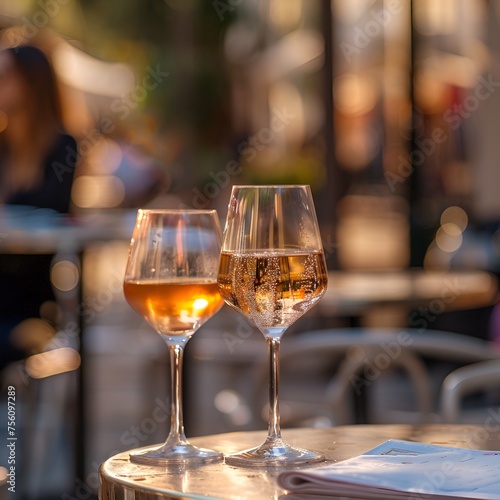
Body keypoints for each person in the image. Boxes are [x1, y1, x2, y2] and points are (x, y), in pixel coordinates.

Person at [0, 45, 77, 370]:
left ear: (31, 83)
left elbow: (52, 208)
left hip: (29, 299)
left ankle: (12, 421)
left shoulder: (62, 146)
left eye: (4, 76)